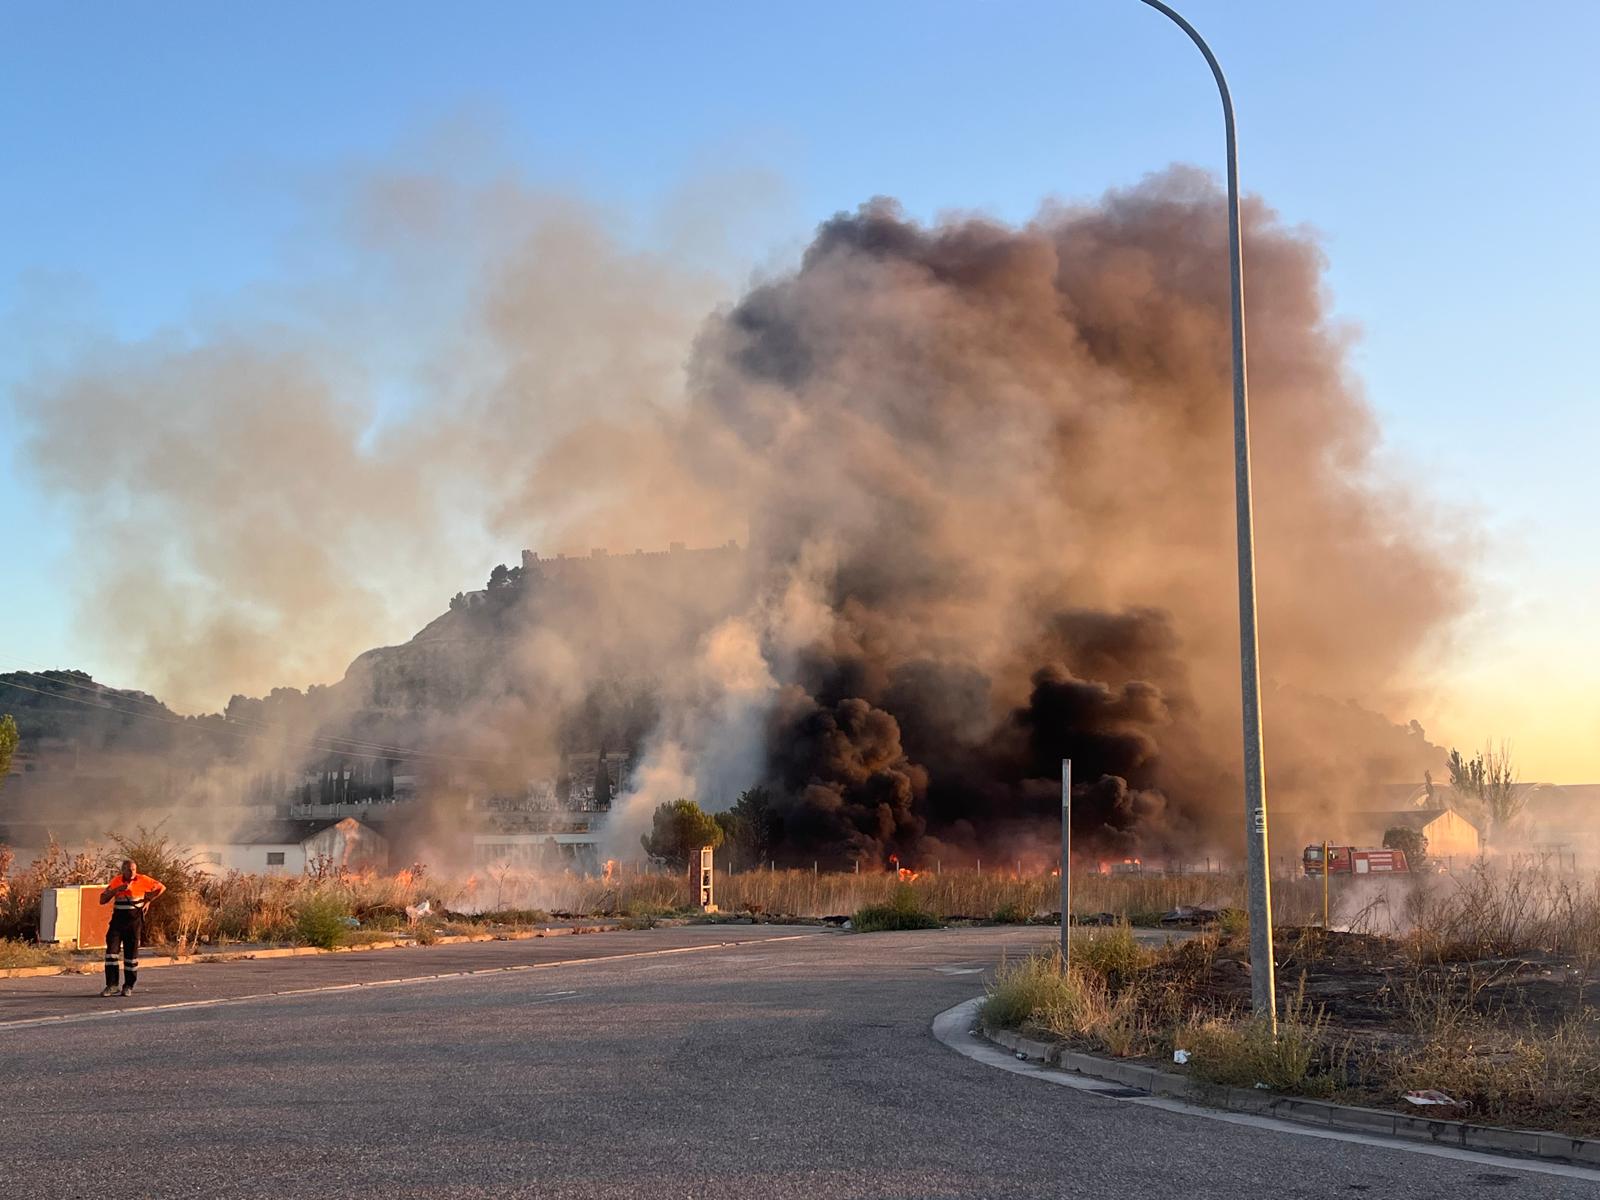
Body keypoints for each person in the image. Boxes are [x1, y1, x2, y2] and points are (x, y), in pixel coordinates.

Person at [98, 859, 165, 997]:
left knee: (131, 956)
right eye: (129, 870)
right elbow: (102, 899)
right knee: (111, 953)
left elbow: (161, 887)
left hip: (134, 922)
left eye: (134, 869)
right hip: (117, 921)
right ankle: (111, 985)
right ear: (123, 870)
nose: (132, 872)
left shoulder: (143, 879)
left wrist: (148, 900)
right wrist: (117, 890)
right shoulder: (117, 880)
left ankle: (128, 985)